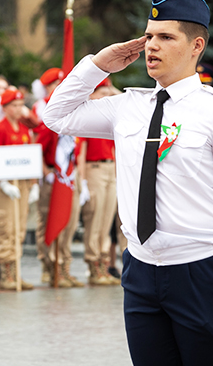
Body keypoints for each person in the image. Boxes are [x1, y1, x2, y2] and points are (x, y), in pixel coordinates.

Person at [43, 0, 213, 366]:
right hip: (141, 272)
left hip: (203, 272)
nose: (152, 46)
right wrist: (99, 65)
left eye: (166, 37)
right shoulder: (128, 107)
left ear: (196, 45)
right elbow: (57, 116)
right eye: (149, 36)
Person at [33, 67, 85, 287]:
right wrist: (46, 172)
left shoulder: (71, 111)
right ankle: (49, 265)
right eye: (56, 85)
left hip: (68, 175)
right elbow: (38, 147)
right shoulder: (46, 113)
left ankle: (63, 266)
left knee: (69, 222)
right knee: (48, 220)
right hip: (52, 176)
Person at [0, 88, 39, 291]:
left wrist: (33, 183)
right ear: (5, 108)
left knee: (19, 228)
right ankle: (6, 274)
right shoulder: (0, 129)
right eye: (14, 106)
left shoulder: (23, 128)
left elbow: (30, 155)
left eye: (21, 105)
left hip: (22, 183)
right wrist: (3, 183)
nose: (19, 109)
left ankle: (16, 272)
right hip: (6, 184)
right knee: (7, 227)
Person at [80, 78, 120, 285]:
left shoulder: (110, 117)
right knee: (95, 218)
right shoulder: (88, 117)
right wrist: (82, 181)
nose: (106, 97)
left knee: (106, 218)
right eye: (101, 93)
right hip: (93, 168)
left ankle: (104, 262)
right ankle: (93, 263)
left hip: (110, 168)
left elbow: (119, 97)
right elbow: (81, 150)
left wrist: (108, 89)